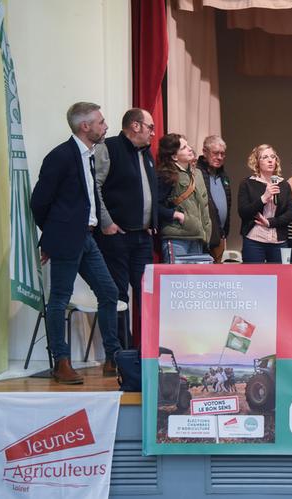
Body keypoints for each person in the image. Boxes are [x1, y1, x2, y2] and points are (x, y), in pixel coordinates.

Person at [30, 102, 121, 383]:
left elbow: (87, 199)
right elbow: (39, 202)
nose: (105, 126)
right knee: (59, 299)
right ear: (85, 126)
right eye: (101, 122)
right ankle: (62, 362)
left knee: (109, 292)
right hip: (67, 239)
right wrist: (54, 237)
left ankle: (113, 357)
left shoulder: (90, 155)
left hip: (87, 238)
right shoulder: (60, 156)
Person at [94, 108, 159, 348]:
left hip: (142, 237)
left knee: (146, 295)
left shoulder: (147, 154)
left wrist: (153, 223)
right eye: (150, 127)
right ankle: (119, 353)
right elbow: (95, 187)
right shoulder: (109, 148)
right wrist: (106, 222)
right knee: (118, 295)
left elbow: (150, 192)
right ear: (135, 126)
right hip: (117, 236)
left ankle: (145, 351)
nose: (153, 132)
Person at [156, 134, 212, 261]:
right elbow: (155, 205)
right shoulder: (167, 175)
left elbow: (203, 205)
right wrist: (177, 215)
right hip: (177, 238)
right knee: (177, 279)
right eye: (184, 147)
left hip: (197, 237)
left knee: (195, 280)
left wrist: (206, 233)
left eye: (188, 145)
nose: (190, 149)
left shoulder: (197, 173)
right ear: (174, 156)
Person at [237, 144, 292, 263]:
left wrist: (270, 222)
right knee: (254, 279)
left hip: (279, 241)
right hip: (254, 240)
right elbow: (243, 212)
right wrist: (263, 198)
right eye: (265, 157)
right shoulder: (247, 184)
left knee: (281, 278)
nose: (270, 160)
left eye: (273, 157)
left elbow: (291, 213)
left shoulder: (284, 184)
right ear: (257, 162)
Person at [196, 135, 231, 263]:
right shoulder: (196, 172)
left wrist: (224, 233)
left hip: (220, 237)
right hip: (203, 237)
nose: (220, 157)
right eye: (216, 153)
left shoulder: (224, 176)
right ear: (205, 152)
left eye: (222, 154)